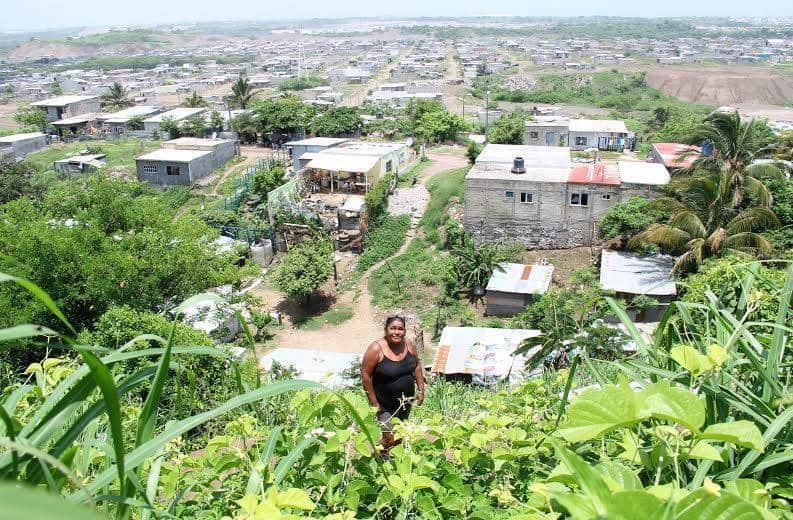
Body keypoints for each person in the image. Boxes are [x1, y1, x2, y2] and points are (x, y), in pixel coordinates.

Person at [361, 315, 425, 455]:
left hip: (405, 402)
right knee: (389, 436)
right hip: (384, 405)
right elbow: (365, 375)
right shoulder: (376, 349)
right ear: (385, 330)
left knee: (400, 433)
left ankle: (393, 461)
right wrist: (374, 403)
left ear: (405, 331)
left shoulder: (408, 345)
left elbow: (417, 366)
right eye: (393, 328)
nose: (397, 332)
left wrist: (421, 389)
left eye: (400, 329)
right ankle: (380, 461)